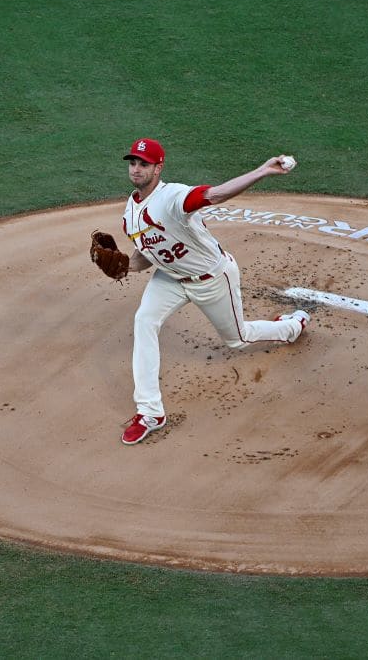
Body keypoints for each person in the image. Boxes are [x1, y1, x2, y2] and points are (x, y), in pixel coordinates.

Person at [118, 137, 309, 445]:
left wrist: (261, 170)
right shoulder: (130, 214)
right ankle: (150, 412)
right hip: (171, 278)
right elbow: (146, 256)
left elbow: (214, 194)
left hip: (211, 279)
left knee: (238, 340)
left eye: (144, 164)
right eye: (133, 163)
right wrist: (124, 266)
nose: (136, 169)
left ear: (158, 168)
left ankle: (290, 326)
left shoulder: (173, 197)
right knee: (144, 321)